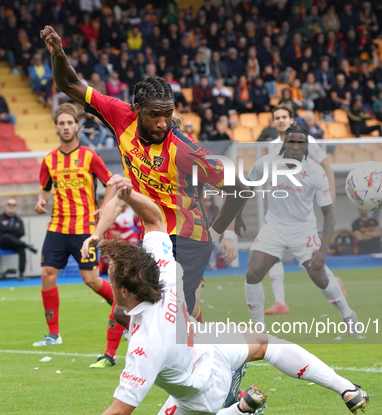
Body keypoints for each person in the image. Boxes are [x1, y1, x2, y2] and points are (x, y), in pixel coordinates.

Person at [22, 175, 369, 415]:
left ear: (127, 290)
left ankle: (236, 410)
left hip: (203, 389)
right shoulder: (163, 270)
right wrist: (129, 195)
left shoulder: (146, 344)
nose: (108, 281)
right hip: (209, 343)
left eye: (112, 280)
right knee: (265, 343)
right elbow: (156, 219)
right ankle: (347, 388)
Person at [41, 25, 243, 368]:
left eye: (168, 114)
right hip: (154, 232)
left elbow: (241, 188)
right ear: (136, 109)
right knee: (127, 313)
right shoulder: (119, 116)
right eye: (155, 114)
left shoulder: (184, 152)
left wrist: (222, 230)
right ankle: (217, 359)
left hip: (187, 238)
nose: (163, 123)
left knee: (174, 319)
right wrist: (58, 54)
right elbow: (69, 84)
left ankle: (221, 371)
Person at [240, 125, 358, 336]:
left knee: (320, 279)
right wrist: (237, 214)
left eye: (301, 143)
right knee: (253, 272)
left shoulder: (315, 172)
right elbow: (247, 187)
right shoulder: (267, 163)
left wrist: (323, 250)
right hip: (274, 227)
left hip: (303, 230)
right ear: (285, 142)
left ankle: (347, 313)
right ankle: (260, 330)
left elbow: (329, 214)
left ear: (307, 146)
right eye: (292, 141)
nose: (296, 146)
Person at [33, 103, 116, 347]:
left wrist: (105, 206)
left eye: (70, 123)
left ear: (77, 126)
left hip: (84, 228)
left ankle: (124, 315)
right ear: (57, 127)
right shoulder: (49, 160)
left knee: (91, 279)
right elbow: (44, 191)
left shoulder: (89, 156)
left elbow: (110, 182)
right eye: (62, 123)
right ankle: (53, 334)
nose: (66, 127)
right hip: (57, 227)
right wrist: (40, 202)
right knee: (47, 275)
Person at [262, 104, 335, 316]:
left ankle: (332, 282)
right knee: (271, 254)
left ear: (292, 119)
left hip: (301, 209)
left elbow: (326, 167)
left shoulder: (308, 141)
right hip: (279, 209)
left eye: (285, 116)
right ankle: (280, 302)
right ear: (274, 122)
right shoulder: (273, 146)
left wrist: (330, 195)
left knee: (308, 259)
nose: (281, 120)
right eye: (277, 117)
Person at [0, 199, 37, 280]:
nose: (11, 206)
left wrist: (9, 229)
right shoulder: (0, 218)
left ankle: (21, 274)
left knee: (21, 248)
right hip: (3, 243)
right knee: (6, 236)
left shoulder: (19, 220)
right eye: (9, 204)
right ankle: (27, 246)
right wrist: (14, 229)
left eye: (13, 205)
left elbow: (21, 232)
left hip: (15, 243)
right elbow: (2, 230)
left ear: (16, 207)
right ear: (6, 206)